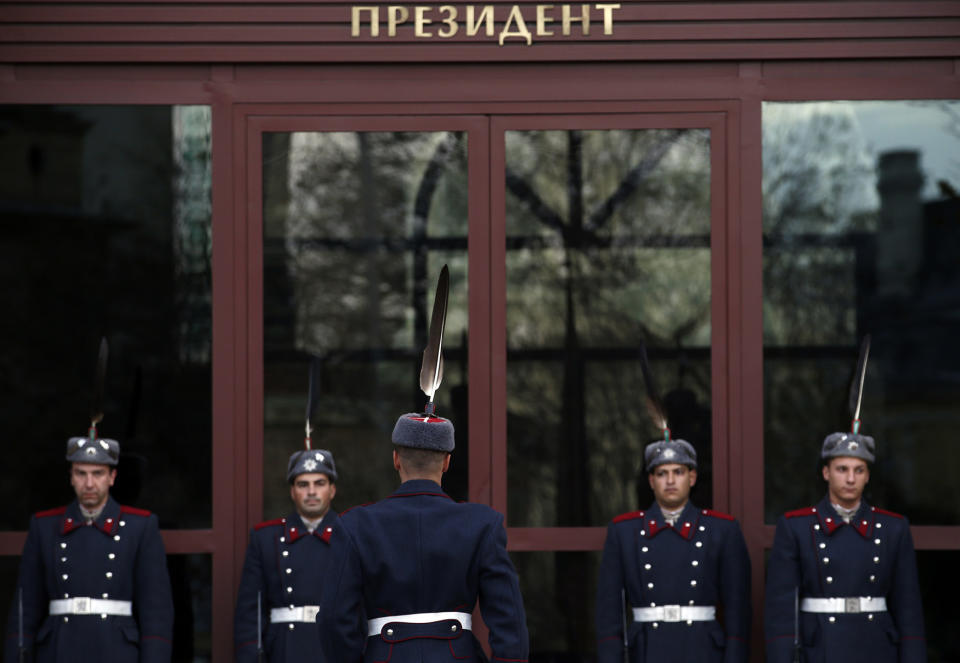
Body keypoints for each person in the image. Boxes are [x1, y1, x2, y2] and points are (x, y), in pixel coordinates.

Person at [316, 412, 529, 662]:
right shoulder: (481, 524)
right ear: (447, 462)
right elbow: (509, 618)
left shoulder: (356, 525)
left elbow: (333, 618)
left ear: (396, 459)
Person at [4, 434, 174, 663]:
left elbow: (156, 613)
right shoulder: (44, 527)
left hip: (116, 651)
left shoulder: (140, 527)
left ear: (112, 477)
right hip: (58, 650)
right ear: (71, 477)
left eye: (98, 473)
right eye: (81, 473)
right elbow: (25, 610)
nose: (89, 483)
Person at [764, 433, 926, 662]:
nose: (850, 479)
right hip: (820, 648)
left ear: (867, 476)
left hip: (876, 646)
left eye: (859, 470)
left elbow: (908, 608)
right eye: (842, 469)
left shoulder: (893, 528)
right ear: (826, 473)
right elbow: (781, 610)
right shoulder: (797, 527)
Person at [596, 438, 751, 663]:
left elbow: (738, 609)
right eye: (661, 473)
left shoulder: (721, 530)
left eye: (678, 472)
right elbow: (608, 612)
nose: (670, 480)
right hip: (646, 650)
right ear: (651, 481)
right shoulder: (624, 532)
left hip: (702, 649)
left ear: (692, 477)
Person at [234, 448, 339, 662]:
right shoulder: (265, 538)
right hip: (283, 650)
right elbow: (249, 614)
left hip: (335, 648)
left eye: (319, 483)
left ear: (332, 490)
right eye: (303, 484)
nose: (311, 491)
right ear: (292, 491)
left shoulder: (350, 535)